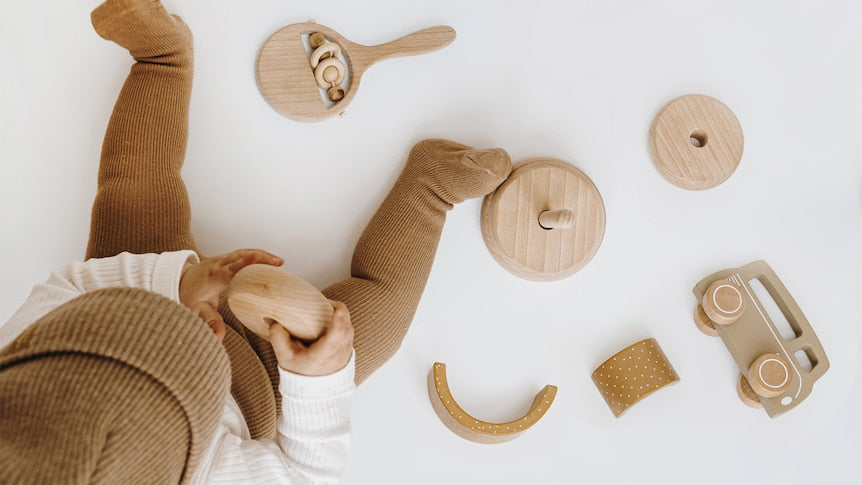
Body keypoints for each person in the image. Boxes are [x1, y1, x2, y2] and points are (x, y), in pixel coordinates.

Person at [0, 0, 512, 483]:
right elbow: (303, 473)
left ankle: (162, 60)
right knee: (379, 318)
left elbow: (70, 286)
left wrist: (173, 282)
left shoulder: (21, 359)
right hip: (260, 388)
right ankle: (430, 186)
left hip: (143, 286)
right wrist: (317, 382)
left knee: (134, 187)